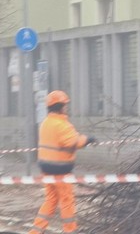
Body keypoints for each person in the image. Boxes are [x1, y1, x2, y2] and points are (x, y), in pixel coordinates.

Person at [29, 90, 97, 234]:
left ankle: (35, 231)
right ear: (60, 106)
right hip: (60, 170)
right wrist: (88, 139)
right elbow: (72, 142)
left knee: (50, 200)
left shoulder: (46, 123)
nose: (66, 107)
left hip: (46, 169)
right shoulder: (61, 124)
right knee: (66, 201)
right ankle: (70, 230)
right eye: (65, 104)